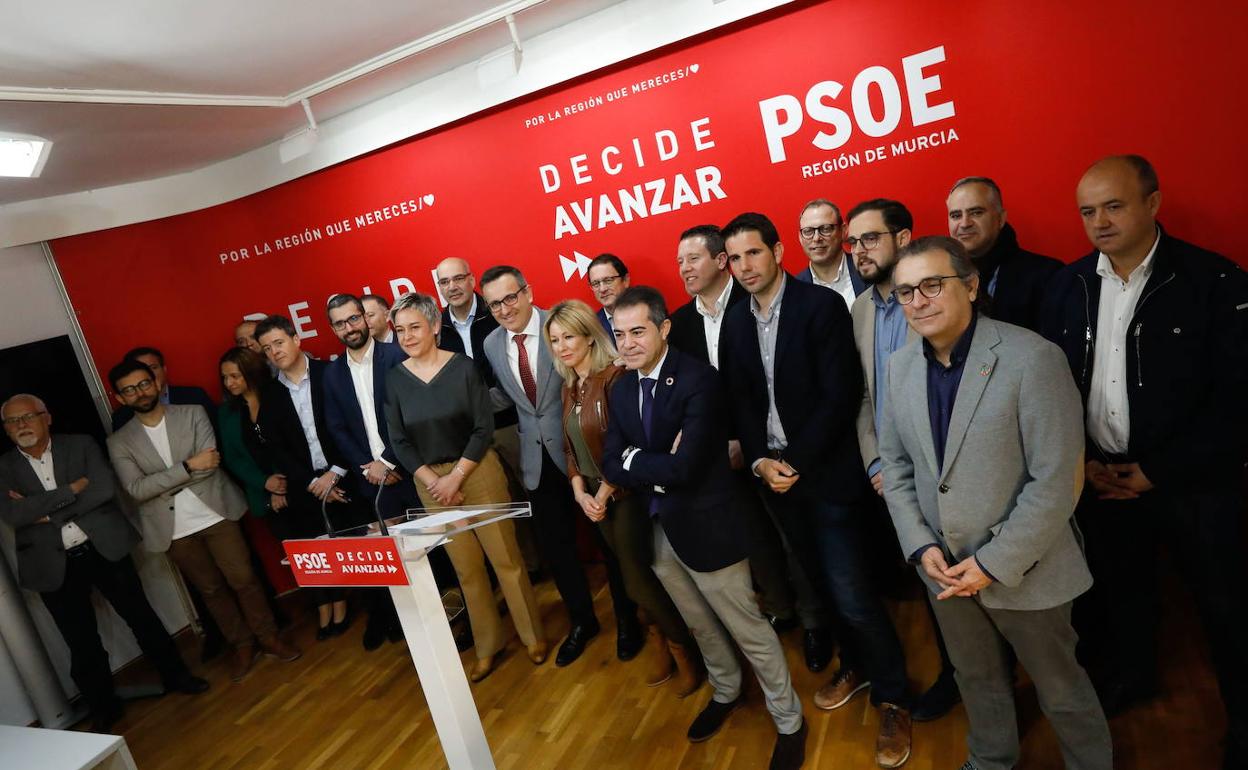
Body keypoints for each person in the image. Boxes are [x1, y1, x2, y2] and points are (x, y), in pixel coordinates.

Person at [1042, 154, 1248, 767]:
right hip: (1104, 478)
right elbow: (1054, 388)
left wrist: (1160, 471)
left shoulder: (1214, 281)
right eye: (1087, 211)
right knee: (1124, 597)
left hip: (1195, 485)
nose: (1099, 222)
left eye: (1114, 206)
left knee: (1226, 610)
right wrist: (1084, 462)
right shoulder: (1069, 285)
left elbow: (1237, 402)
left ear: (1152, 204)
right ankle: (1135, 681)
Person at [880, 235, 1112, 770]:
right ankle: (990, 759)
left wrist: (991, 563)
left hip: (1027, 567)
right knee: (975, 676)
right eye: (906, 292)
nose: (918, 301)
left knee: (1060, 685)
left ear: (970, 285)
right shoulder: (899, 367)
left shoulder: (1033, 358)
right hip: (942, 568)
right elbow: (897, 467)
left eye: (932, 285)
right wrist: (920, 546)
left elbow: (1057, 480)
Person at [718, 212, 912, 768]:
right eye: (735, 257)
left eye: (754, 252)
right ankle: (856, 666)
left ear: (778, 251)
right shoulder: (735, 322)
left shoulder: (820, 306)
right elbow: (740, 399)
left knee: (852, 592)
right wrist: (760, 460)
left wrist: (794, 461)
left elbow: (840, 395)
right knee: (822, 591)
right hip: (777, 481)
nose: (745, 266)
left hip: (826, 476)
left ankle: (894, 695)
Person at [601, 287, 806, 770]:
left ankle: (789, 720)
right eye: (620, 334)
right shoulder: (623, 387)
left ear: (663, 328)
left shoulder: (699, 380)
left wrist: (636, 459)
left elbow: (687, 467)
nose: (628, 343)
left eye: (638, 331)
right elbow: (611, 462)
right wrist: (648, 461)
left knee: (747, 628)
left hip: (708, 527)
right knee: (700, 625)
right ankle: (726, 690)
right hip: (659, 529)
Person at [668, 224, 836, 673]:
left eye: (693, 258)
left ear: (720, 260)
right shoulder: (679, 324)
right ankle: (782, 608)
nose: (684, 268)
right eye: (679, 261)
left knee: (796, 541)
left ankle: (816, 622)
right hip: (717, 458)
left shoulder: (755, 301)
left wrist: (752, 446)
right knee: (756, 539)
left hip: (773, 449)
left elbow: (767, 389)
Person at [0, 394, 208, 732]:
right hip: (51, 565)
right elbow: (13, 514)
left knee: (141, 617)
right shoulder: (3, 468)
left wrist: (43, 510)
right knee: (80, 642)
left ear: (46, 417)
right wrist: (72, 489)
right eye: (12, 421)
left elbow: (101, 490)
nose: (21, 425)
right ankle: (104, 707)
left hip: (103, 548)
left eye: (27, 416)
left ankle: (177, 676)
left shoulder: (81, 444)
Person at [479, 265, 641, 666]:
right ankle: (582, 622)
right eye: (494, 304)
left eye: (510, 297)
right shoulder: (491, 344)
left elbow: (596, 372)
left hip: (586, 451)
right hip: (536, 462)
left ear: (528, 292)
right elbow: (510, 398)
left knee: (611, 544)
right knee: (558, 550)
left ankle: (629, 621)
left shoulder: (562, 326)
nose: (504, 309)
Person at [383, 291, 545, 681]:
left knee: (506, 561)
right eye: (400, 330)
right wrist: (434, 481)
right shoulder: (394, 379)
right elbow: (399, 440)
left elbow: (483, 426)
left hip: (478, 472)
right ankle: (488, 646)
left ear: (434, 326)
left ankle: (532, 636)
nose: (407, 336)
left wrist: (455, 477)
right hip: (431, 485)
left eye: (415, 327)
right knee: (467, 569)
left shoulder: (464, 368)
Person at [105, 360, 300, 682]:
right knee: (211, 591)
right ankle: (242, 644)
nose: (139, 393)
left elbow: (209, 465)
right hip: (173, 530)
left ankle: (268, 638)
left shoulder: (192, 413)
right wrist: (187, 467)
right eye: (129, 390)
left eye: (143, 384)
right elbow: (137, 490)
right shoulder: (119, 442)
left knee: (244, 579)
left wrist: (162, 482)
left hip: (216, 514)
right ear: (119, 398)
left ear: (156, 383)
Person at [543, 299, 701, 695]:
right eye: (555, 340)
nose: (562, 347)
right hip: (593, 500)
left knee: (638, 581)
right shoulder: (570, 386)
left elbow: (628, 444)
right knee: (632, 583)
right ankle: (660, 640)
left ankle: (686, 650)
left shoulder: (614, 378)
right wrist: (579, 491)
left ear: (588, 337)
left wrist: (602, 492)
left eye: (569, 337)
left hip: (625, 495)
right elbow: (570, 448)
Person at [847, 198, 960, 722]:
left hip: (947, 464)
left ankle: (993, 674)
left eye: (870, 238)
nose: (859, 250)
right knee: (932, 578)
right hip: (893, 474)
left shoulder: (939, 300)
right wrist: (877, 464)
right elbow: (865, 396)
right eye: (854, 242)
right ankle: (957, 673)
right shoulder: (860, 310)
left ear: (903, 238)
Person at [254, 314, 357, 640]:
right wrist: (314, 483)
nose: (274, 351)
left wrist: (335, 474)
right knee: (318, 552)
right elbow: (278, 449)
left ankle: (379, 614)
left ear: (296, 339)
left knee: (363, 550)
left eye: (279, 342)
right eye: (267, 348)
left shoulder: (331, 373)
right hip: (306, 486)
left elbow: (352, 424)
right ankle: (331, 609)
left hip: (347, 475)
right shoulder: (270, 394)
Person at [435, 257, 538, 577]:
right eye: (444, 282)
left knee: (534, 496)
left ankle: (555, 562)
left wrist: (475, 406)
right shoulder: (437, 327)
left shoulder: (497, 312)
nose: (452, 287)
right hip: (471, 436)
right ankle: (530, 569)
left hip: (513, 423)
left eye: (458, 278)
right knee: (502, 507)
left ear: (471, 280)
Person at [322, 293, 413, 650]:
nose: (349, 328)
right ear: (333, 329)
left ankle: (456, 618)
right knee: (398, 561)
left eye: (353, 318)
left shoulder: (397, 355)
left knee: (435, 554)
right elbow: (337, 429)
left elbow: (410, 414)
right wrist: (370, 468)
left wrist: (388, 461)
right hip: (372, 482)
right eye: (340, 324)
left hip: (410, 471)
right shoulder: (332, 374)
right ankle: (411, 627)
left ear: (365, 317)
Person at [946, 177, 1061, 331]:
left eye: (976, 213)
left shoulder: (1048, 275)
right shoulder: (940, 276)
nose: (965, 223)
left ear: (1000, 218)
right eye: (956, 216)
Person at [110, 346, 218, 432]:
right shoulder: (122, 417)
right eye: (141, 369)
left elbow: (215, 434)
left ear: (164, 369)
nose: (149, 374)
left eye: (153, 367)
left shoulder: (195, 397)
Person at [793, 198, 865, 309]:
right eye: (808, 231)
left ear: (843, 231)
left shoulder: (867, 270)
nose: (816, 238)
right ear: (800, 237)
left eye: (825, 229)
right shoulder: (794, 291)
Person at [587, 253, 631, 337]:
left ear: (625, 280)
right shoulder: (592, 327)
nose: (602, 289)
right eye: (596, 283)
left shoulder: (648, 312)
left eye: (608, 280)